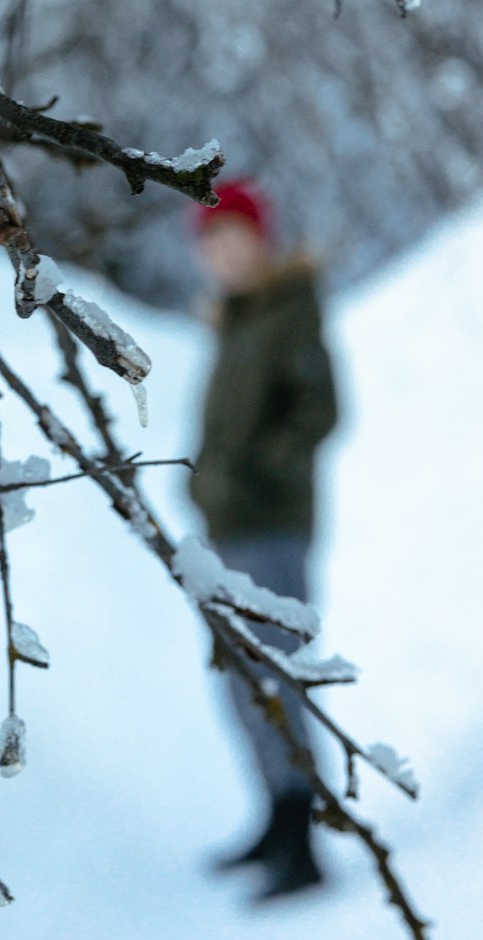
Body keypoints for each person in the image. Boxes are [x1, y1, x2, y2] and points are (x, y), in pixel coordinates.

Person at [189, 179, 338, 902]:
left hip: (271, 528)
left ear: (261, 239)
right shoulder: (236, 319)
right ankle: (276, 815)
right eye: (212, 245)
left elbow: (319, 411)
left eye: (233, 239)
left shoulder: (288, 309)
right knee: (242, 682)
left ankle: (304, 839)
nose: (223, 256)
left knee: (275, 677)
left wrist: (253, 475)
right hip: (227, 530)